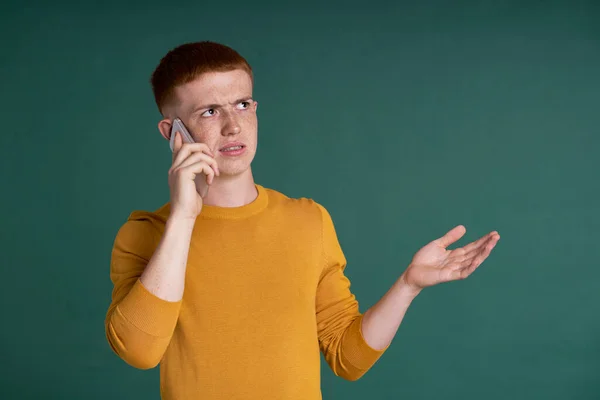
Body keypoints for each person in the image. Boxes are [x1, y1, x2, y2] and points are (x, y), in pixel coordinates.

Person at [105, 41, 500, 400]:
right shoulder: (145, 233)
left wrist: (408, 286)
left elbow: (348, 357)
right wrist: (184, 218)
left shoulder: (308, 221)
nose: (233, 126)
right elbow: (140, 352)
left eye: (242, 104)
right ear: (171, 132)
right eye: (209, 111)